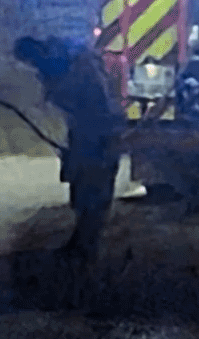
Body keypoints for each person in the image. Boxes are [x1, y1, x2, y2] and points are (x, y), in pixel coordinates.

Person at [13, 35, 123, 262]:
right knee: (83, 187)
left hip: (99, 133)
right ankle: (82, 242)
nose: (32, 69)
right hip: (88, 131)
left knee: (92, 189)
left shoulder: (74, 66)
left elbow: (91, 101)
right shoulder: (64, 60)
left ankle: (87, 246)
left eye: (31, 62)